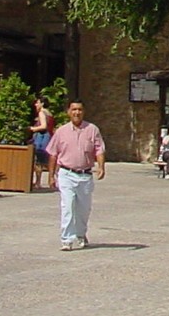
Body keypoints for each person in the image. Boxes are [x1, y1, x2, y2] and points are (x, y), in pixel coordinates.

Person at [46, 101, 106, 251]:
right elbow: (53, 154)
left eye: (79, 109)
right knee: (67, 206)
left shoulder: (92, 130)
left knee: (84, 209)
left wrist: (101, 167)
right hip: (66, 173)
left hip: (85, 175)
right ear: (68, 112)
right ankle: (66, 239)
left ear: (83, 112)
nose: (76, 113)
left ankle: (80, 234)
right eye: (73, 109)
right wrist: (51, 176)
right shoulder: (61, 131)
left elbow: (99, 150)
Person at [29, 97, 55, 186]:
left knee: (38, 161)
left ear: (42, 104)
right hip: (49, 137)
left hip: (41, 138)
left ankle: (38, 182)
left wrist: (33, 128)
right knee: (46, 161)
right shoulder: (49, 113)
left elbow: (44, 126)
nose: (36, 104)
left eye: (37, 103)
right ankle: (51, 179)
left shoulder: (42, 113)